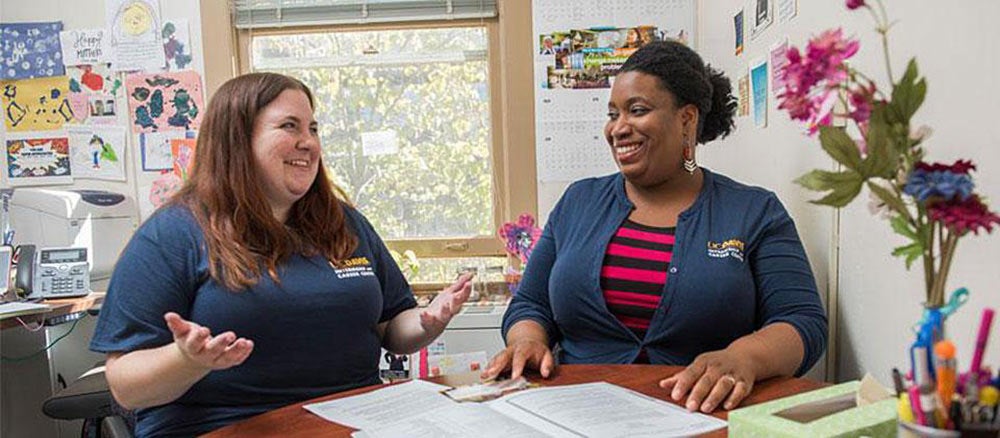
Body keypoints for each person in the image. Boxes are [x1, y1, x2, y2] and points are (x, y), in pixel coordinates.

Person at [90, 72, 473, 437]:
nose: (308, 142)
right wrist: (186, 361)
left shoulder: (345, 224)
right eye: (290, 126)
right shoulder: (172, 234)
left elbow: (392, 328)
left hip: (356, 421)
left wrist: (428, 321)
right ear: (237, 140)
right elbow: (126, 386)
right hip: (226, 427)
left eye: (313, 128)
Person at [483, 41, 827, 414]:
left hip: (702, 414)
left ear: (687, 120)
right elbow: (532, 303)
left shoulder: (753, 211)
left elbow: (802, 321)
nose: (619, 128)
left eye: (638, 111)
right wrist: (527, 339)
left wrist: (744, 357)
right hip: (577, 414)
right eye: (613, 114)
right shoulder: (578, 202)